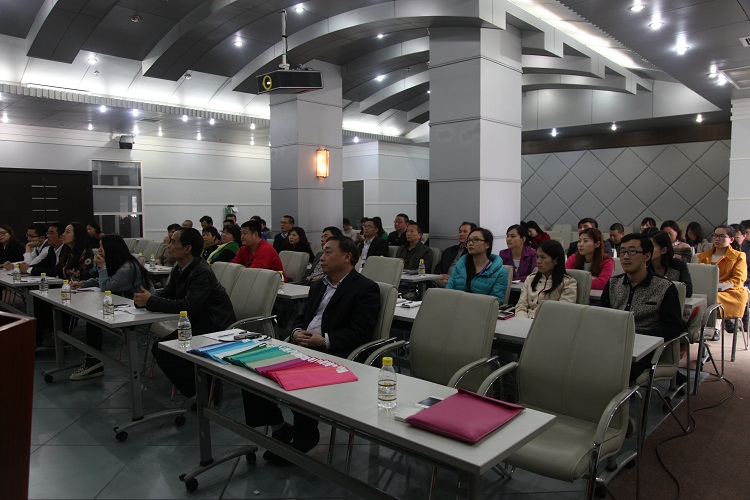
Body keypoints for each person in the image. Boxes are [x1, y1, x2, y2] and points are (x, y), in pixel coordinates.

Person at [243, 236, 380, 464]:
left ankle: (305, 437)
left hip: (333, 353)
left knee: (300, 377)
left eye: (328, 252)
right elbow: (301, 317)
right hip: (303, 345)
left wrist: (324, 341)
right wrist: (297, 332)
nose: (321, 258)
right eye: (322, 252)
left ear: (347, 257)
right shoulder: (319, 285)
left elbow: (360, 333)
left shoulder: (365, 288)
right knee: (252, 370)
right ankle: (279, 426)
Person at [134, 227, 236, 398]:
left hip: (214, 324)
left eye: (173, 242)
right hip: (196, 321)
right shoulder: (179, 267)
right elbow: (169, 293)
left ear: (188, 248)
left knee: (166, 353)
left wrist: (150, 301)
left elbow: (189, 305)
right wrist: (146, 296)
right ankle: (202, 391)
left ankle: (205, 393)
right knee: (160, 348)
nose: (168, 245)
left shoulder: (201, 271)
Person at [69, 235, 154, 380]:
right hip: (127, 305)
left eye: (102, 246)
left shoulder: (128, 267)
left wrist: (102, 267)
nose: (99, 250)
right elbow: (104, 280)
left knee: (94, 320)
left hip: (140, 309)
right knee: (93, 317)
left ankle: (93, 362)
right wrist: (83, 284)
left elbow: (106, 286)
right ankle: (93, 360)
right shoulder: (118, 263)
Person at [601, 233, 684, 381]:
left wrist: (644, 338)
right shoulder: (613, 284)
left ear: (647, 256)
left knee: (615, 373)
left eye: (632, 251)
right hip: (614, 343)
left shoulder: (664, 287)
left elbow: (674, 327)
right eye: (622, 252)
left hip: (646, 349)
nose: (625, 257)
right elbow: (602, 316)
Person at [697, 225, 748, 334]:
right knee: (695, 298)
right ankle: (696, 330)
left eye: (721, 236)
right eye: (715, 235)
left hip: (730, 292)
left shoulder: (738, 256)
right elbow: (699, 276)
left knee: (712, 298)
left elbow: (738, 280)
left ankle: (713, 330)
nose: (717, 239)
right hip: (706, 290)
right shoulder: (703, 256)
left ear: (731, 240)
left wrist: (719, 285)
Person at [515, 240, 577, 319]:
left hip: (549, 322)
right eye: (537, 257)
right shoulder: (531, 279)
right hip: (525, 321)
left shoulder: (568, 283)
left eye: (543, 257)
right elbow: (521, 306)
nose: (538, 261)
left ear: (556, 260)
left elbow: (562, 311)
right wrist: (523, 321)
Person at [447, 227, 508, 304]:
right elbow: (448, 291)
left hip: (481, 309)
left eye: (476, 240)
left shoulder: (500, 272)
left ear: (487, 245)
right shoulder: (461, 265)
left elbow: (495, 302)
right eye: (468, 240)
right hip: (456, 307)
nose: (470, 243)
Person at [650, 231, 693, 297]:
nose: (647, 250)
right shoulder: (643, 266)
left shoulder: (679, 265)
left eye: (651, 247)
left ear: (664, 250)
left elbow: (687, 291)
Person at [433, 222, 476, 287]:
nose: (461, 234)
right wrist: (441, 276)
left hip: (459, 283)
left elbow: (471, 273)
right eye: (460, 232)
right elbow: (437, 268)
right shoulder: (449, 250)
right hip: (443, 280)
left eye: (465, 232)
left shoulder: (474, 253)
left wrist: (451, 277)